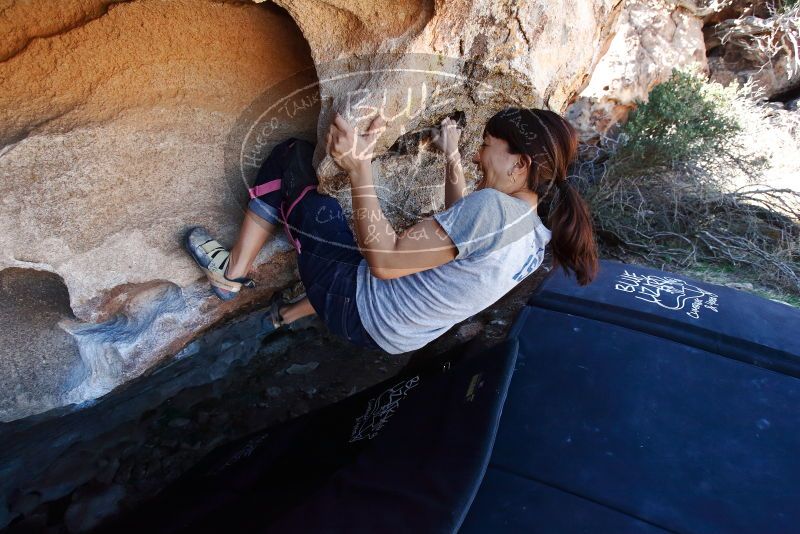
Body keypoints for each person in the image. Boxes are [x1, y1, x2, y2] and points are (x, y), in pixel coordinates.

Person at [186, 107, 598, 354]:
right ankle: (287, 314)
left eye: (487, 144)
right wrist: (451, 156)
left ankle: (231, 275)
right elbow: (456, 233)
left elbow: (384, 263)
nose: (477, 152)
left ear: (519, 164)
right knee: (397, 261)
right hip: (395, 336)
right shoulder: (533, 238)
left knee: (292, 162)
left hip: (357, 305)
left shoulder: (494, 209)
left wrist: (359, 165)